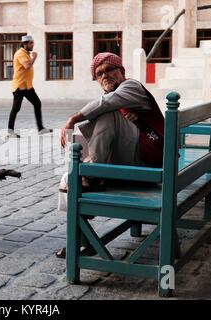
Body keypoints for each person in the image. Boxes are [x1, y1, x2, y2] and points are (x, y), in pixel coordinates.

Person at [56, 52, 165, 258]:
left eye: (109, 70)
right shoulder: (115, 97)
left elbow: (106, 103)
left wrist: (72, 119)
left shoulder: (131, 87)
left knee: (106, 111)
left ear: (122, 71)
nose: (104, 75)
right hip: (137, 158)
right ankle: (81, 240)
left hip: (152, 161)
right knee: (69, 179)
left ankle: (92, 173)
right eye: (99, 74)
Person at [7, 35, 52, 139]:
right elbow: (27, 65)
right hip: (19, 86)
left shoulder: (26, 53)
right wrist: (34, 57)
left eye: (33, 43)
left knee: (37, 103)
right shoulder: (20, 53)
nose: (33, 45)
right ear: (25, 44)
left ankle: (41, 129)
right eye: (31, 43)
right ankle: (10, 132)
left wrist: (32, 57)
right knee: (16, 108)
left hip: (27, 86)